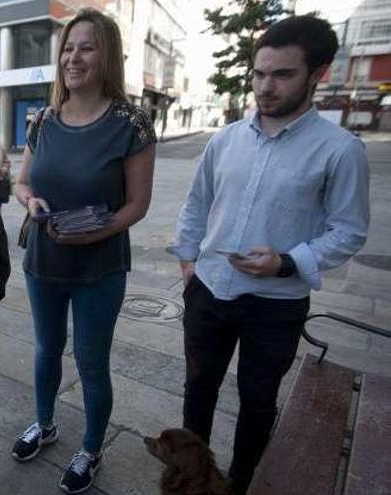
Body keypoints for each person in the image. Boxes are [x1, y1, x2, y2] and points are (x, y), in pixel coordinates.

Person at [173, 16, 369, 495]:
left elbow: (349, 231)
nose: (265, 86)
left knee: (258, 402)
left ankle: (239, 484)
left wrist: (286, 261)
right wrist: (188, 263)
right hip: (210, 290)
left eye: (282, 75)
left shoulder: (340, 150)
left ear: (317, 74)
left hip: (276, 304)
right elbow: (198, 203)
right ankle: (193, 479)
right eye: (259, 74)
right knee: (197, 391)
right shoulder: (226, 139)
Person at [10, 8, 156, 494]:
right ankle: (45, 424)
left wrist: (95, 233)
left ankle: (91, 448)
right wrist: (31, 200)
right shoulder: (43, 120)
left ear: (107, 54)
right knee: (46, 350)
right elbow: (22, 180)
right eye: (68, 48)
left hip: (100, 266)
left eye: (86, 47)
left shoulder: (132, 122)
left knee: (92, 362)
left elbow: (138, 204)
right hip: (44, 262)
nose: (74, 57)